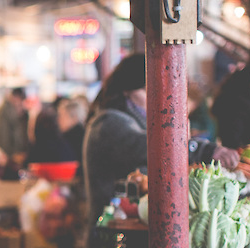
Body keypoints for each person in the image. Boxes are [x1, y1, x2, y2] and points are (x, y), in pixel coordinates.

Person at [83, 54, 239, 223]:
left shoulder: (137, 118)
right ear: (126, 90)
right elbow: (152, 148)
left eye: (156, 91)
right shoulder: (109, 122)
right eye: (145, 90)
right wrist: (204, 150)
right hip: (109, 229)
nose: (153, 97)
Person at [0, 87, 30, 161]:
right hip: (7, 157)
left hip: (13, 156)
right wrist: (11, 155)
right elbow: (3, 136)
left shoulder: (22, 114)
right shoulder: (6, 112)